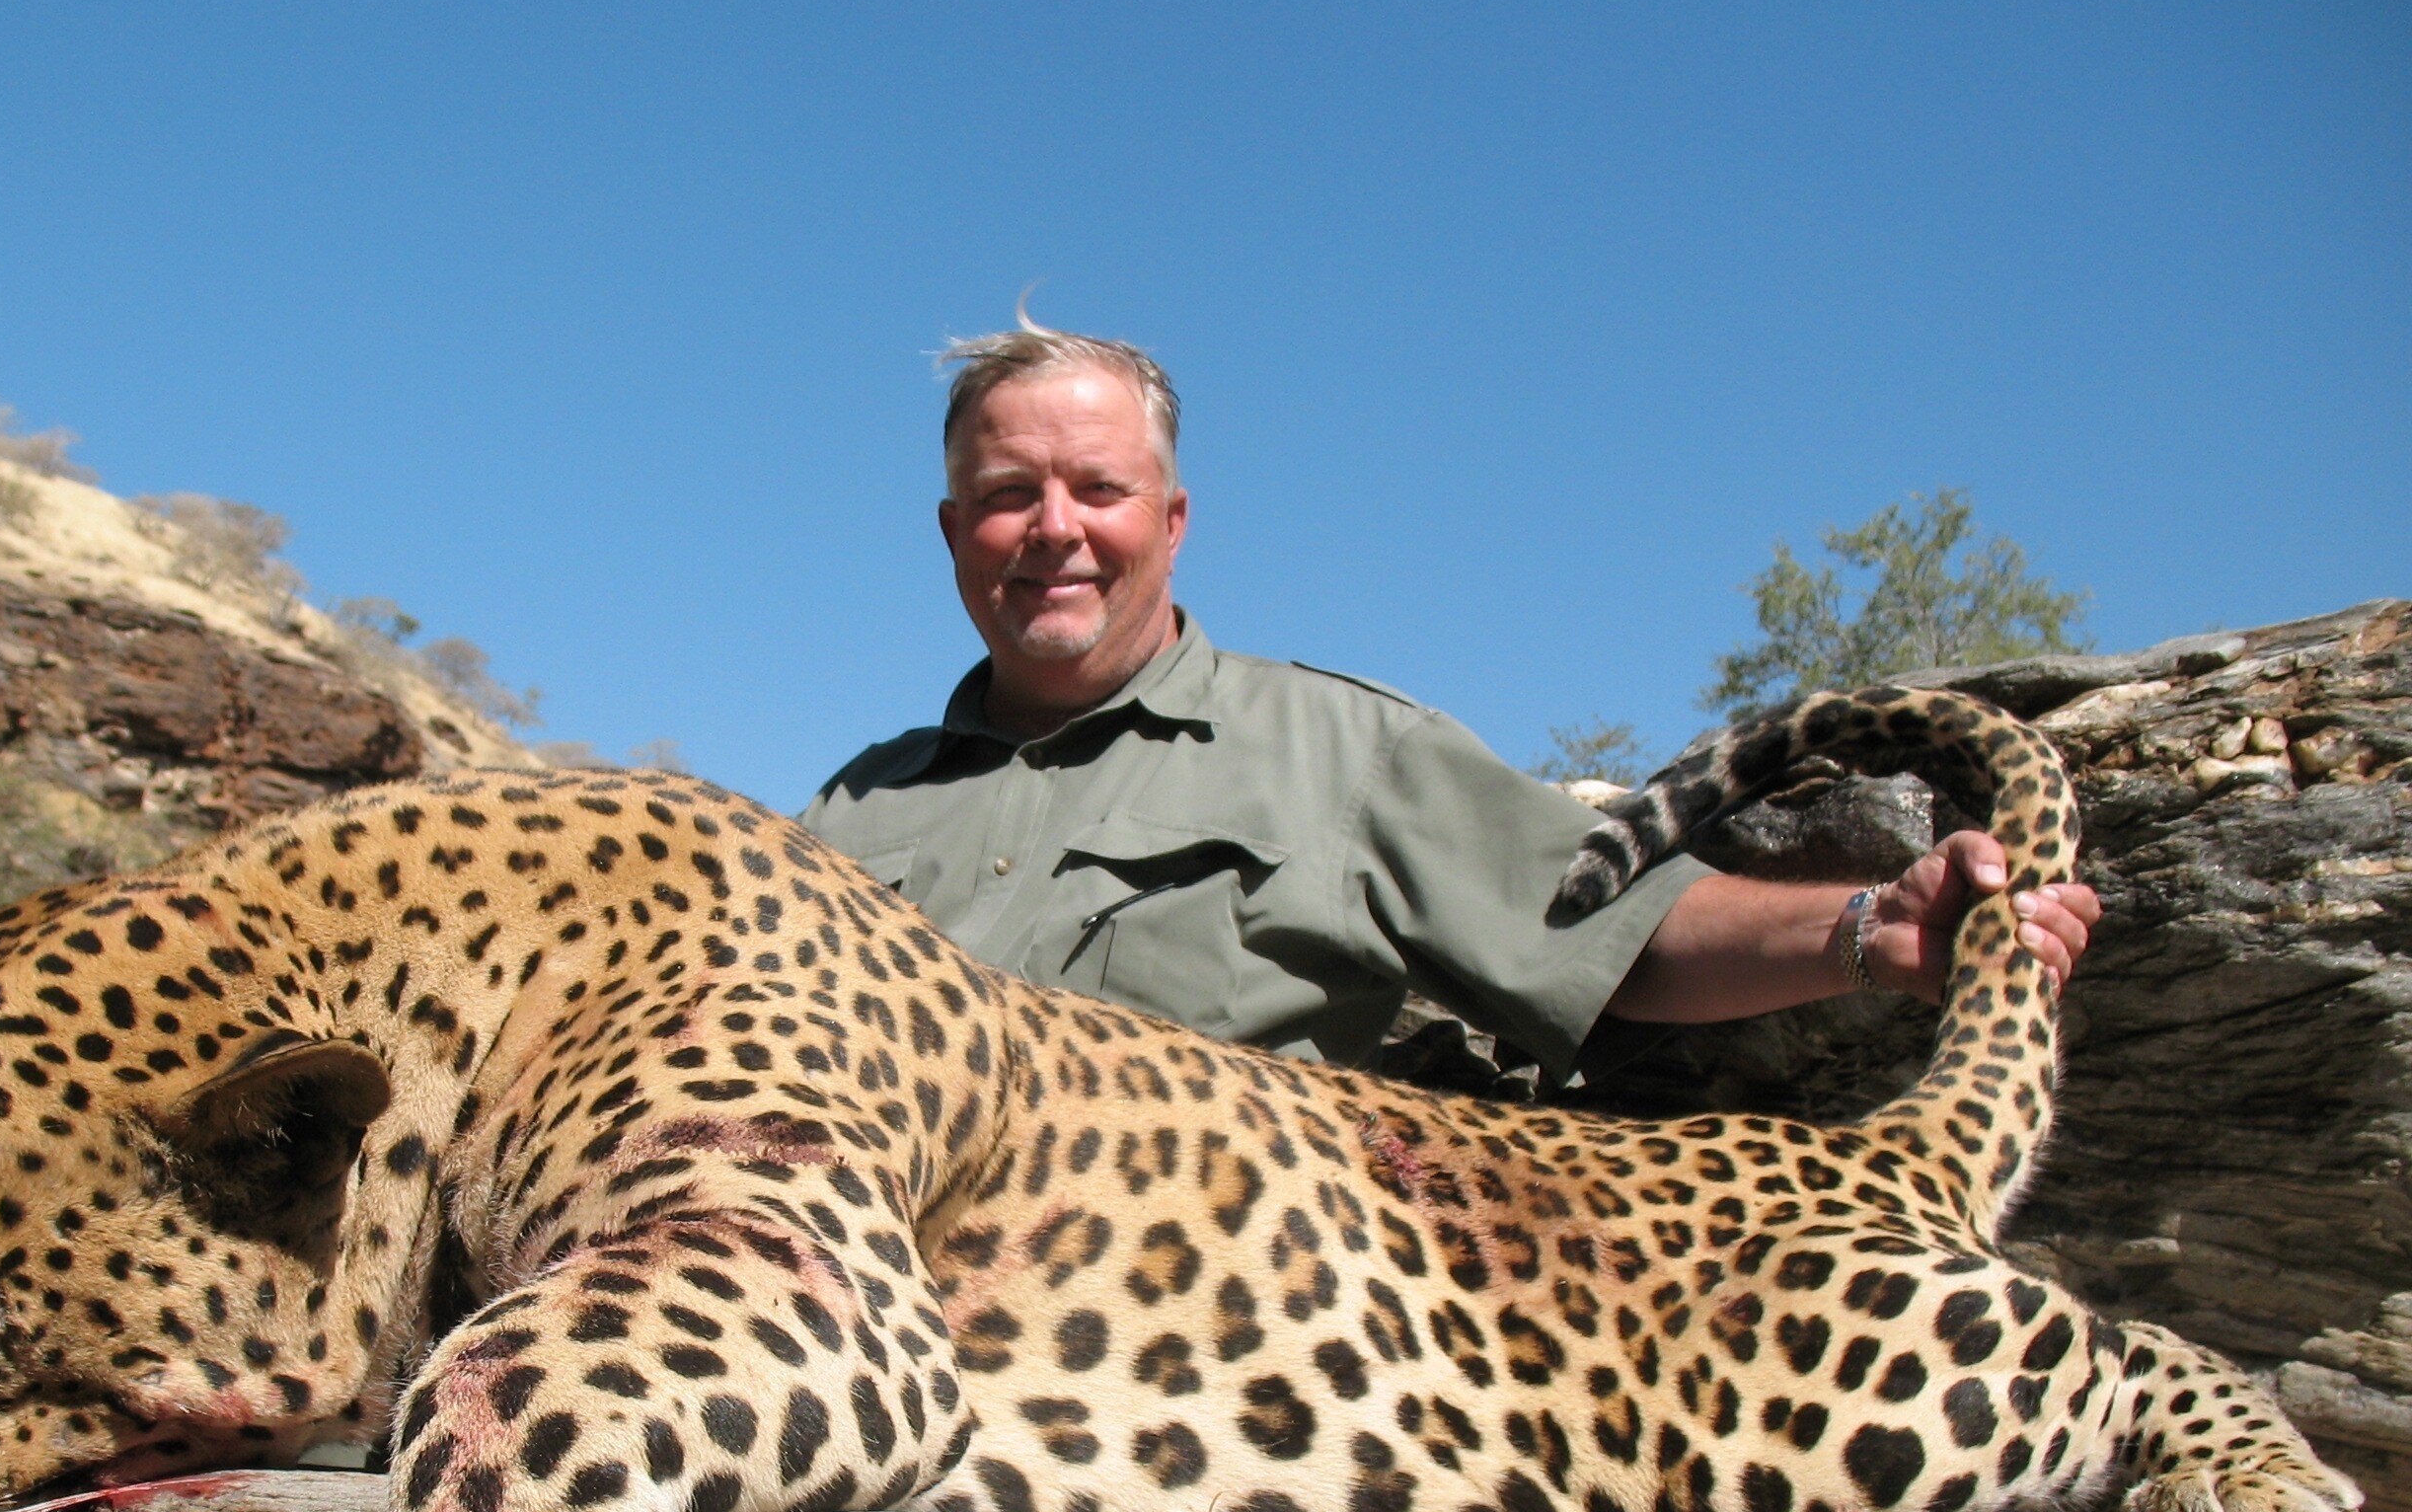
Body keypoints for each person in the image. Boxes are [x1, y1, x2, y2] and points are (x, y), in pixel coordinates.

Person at [800, 323, 2100, 1083]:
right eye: (1008, 495)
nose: (1054, 530)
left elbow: (1609, 933)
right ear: (952, 528)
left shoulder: (1344, 750)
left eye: (1098, 489)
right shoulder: (848, 812)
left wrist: (1871, 927)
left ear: (1176, 522)